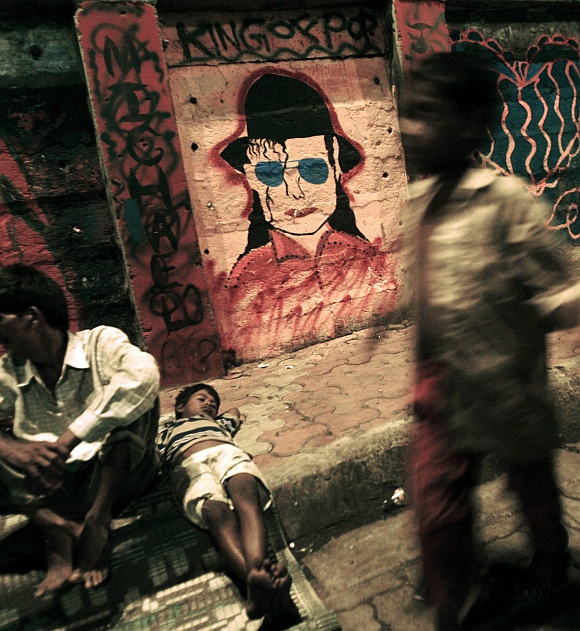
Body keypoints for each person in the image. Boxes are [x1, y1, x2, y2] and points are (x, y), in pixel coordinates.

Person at [398, 52, 580, 630]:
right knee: (438, 499)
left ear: (470, 124)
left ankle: (552, 560)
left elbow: (559, 288)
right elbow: (426, 292)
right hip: (441, 385)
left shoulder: (505, 203)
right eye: (407, 113)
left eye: (426, 114)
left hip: (506, 383)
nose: (408, 128)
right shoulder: (416, 203)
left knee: (530, 481)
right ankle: (456, 596)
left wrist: (541, 313)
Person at [0, 264, 160, 596]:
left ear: (32, 317)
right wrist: (13, 451)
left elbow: (144, 375)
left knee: (138, 403)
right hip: (51, 489)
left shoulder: (99, 343)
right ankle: (56, 530)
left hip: (115, 480)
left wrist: (68, 441)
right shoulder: (8, 370)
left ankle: (98, 522)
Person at [212, 72, 398, 353]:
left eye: (312, 170)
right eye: (271, 174)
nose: (295, 192)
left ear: (335, 166)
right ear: (253, 181)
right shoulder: (250, 276)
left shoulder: (364, 257)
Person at [158, 383, 300, 627]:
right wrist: (177, 415)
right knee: (216, 512)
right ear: (180, 407)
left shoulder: (219, 424)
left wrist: (209, 413)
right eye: (201, 399)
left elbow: (234, 412)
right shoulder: (166, 430)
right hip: (189, 467)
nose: (209, 404)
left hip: (226, 453)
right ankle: (268, 589)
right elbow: (155, 428)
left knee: (247, 497)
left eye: (213, 403)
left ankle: (257, 576)